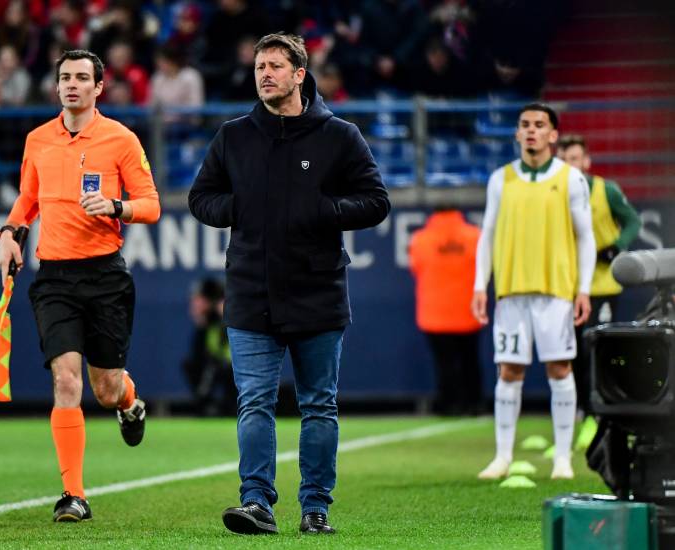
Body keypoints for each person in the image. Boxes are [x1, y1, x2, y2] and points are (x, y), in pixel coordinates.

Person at [188, 32, 390, 535]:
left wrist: (325, 211)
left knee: (318, 405)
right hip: (251, 293)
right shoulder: (233, 136)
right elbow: (201, 197)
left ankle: (315, 508)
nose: (265, 75)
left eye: (276, 66)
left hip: (317, 292)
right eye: (259, 66)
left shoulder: (339, 135)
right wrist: (235, 207)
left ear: (300, 74)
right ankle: (256, 502)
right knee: (254, 401)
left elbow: (376, 200)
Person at [0, 49, 160, 522]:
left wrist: (116, 206)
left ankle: (130, 404)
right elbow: (27, 199)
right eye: (65, 77)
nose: (72, 84)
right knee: (65, 380)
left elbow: (150, 204)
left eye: (81, 78)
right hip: (55, 278)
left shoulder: (120, 139)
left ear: (98, 87)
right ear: (57, 86)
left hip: (106, 275)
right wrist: (10, 233)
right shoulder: (37, 140)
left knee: (105, 389)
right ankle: (74, 495)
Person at [472, 103, 595, 481]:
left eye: (539, 125)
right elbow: (488, 234)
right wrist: (481, 284)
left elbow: (585, 236)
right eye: (525, 124)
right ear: (517, 132)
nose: (531, 131)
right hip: (511, 290)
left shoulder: (571, 179)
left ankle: (562, 458)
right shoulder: (501, 179)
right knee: (508, 371)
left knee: (560, 368)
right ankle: (502, 457)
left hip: (555, 290)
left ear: (553, 135)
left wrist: (583, 289)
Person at [556, 134, 641, 450]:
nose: (570, 165)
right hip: (566, 285)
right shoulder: (555, 193)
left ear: (586, 161)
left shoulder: (606, 190)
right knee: (571, 353)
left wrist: (618, 246)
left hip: (602, 285)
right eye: (564, 160)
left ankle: (600, 419)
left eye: (575, 159)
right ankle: (581, 414)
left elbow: (633, 221)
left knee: (597, 352)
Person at [408, 206, 483, 416]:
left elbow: (415, 267)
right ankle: (474, 402)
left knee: (444, 363)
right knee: (470, 360)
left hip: (435, 314)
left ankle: (449, 403)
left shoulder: (421, 239)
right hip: (468, 311)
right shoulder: (475, 236)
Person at [181, 277, 236, 416]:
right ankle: (206, 405)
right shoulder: (207, 323)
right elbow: (200, 351)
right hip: (217, 362)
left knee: (217, 367)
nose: (195, 304)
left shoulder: (226, 315)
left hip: (233, 364)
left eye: (200, 299)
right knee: (193, 365)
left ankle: (228, 406)